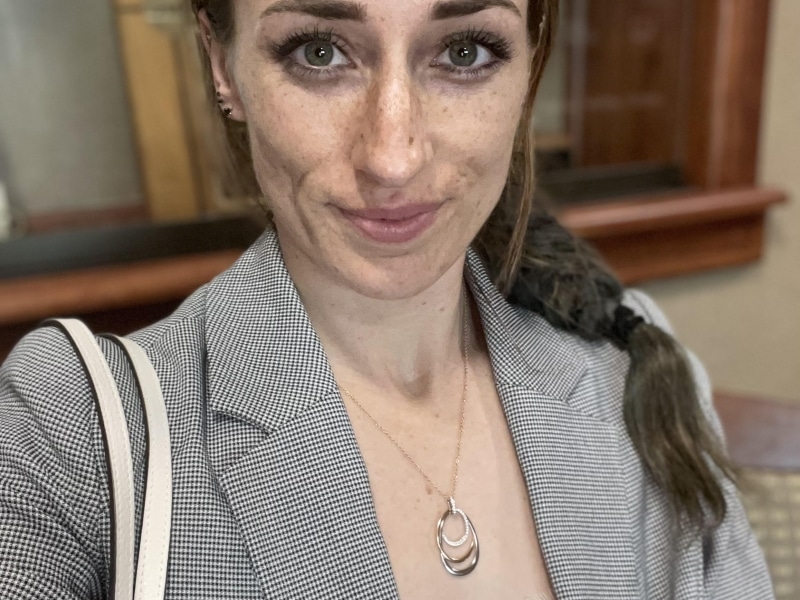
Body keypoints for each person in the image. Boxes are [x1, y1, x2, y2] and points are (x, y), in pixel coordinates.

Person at [0, 0, 774, 598]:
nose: (393, 157)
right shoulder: (71, 432)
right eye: (319, 51)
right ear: (221, 62)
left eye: (464, 51)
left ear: (529, 64)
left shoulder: (626, 370)